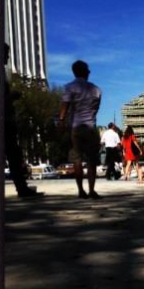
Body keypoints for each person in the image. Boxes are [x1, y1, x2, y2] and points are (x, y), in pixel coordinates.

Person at [2, 43, 43, 198]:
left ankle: (22, 188)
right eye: (6, 54)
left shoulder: (0, 72)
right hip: (3, 121)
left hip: (6, 120)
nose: (7, 58)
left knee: (14, 155)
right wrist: (11, 96)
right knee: (13, 155)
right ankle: (22, 188)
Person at [58, 60, 102, 199]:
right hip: (90, 127)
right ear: (84, 71)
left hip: (76, 127)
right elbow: (96, 109)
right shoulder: (96, 89)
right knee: (91, 160)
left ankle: (81, 191)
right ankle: (92, 190)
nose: (89, 72)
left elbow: (65, 106)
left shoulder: (69, 87)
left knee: (77, 159)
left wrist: (61, 121)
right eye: (88, 69)